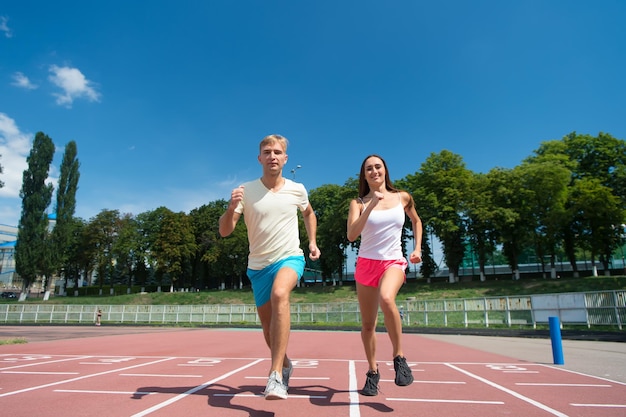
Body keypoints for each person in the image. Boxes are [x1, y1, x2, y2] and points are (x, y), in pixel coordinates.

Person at [219, 134, 321, 400]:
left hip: (290, 257)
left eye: (277, 152)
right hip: (258, 267)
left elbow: (309, 213)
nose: (272, 156)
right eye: (267, 152)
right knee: (267, 329)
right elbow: (225, 231)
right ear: (259, 158)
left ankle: (275, 375)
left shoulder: (297, 189)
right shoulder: (246, 190)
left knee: (280, 295)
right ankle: (285, 363)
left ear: (285, 158)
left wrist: (311, 242)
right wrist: (230, 209)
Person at [347, 154, 423, 396]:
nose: (374, 171)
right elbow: (351, 235)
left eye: (378, 167)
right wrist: (370, 206)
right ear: (364, 175)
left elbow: (416, 221)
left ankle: (399, 358)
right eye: (368, 168)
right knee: (368, 325)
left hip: (393, 261)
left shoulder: (403, 197)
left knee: (387, 298)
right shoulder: (357, 203)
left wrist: (418, 248)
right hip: (366, 265)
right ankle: (372, 372)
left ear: (385, 170)